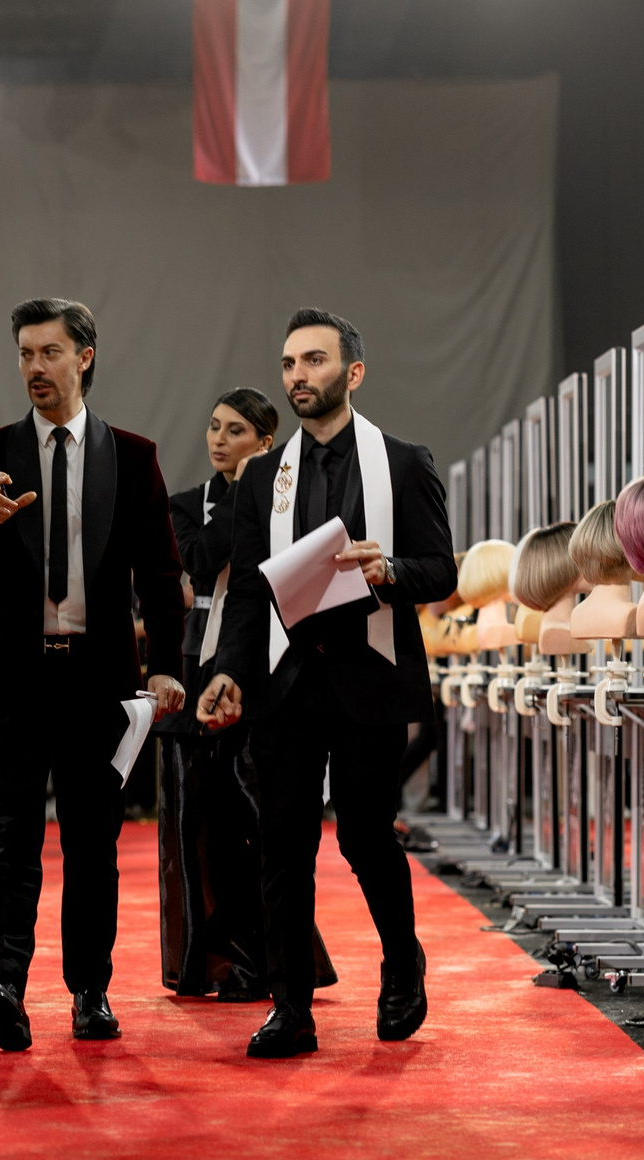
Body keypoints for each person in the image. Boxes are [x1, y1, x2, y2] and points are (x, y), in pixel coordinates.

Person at [0, 297, 186, 1052]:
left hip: (99, 683)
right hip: (9, 681)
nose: (34, 368)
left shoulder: (132, 456)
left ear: (84, 357)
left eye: (49, 353)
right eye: (25, 354)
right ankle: (3, 985)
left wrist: (166, 668)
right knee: (9, 836)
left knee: (93, 843)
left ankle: (90, 992)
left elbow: (160, 574)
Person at [198, 308, 457, 1058]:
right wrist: (227, 672)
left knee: (367, 837)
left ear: (354, 372)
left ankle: (402, 963)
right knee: (282, 845)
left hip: (368, 675)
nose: (298, 375)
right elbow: (247, 592)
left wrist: (390, 570)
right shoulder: (262, 478)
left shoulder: (402, 463)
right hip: (284, 683)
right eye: (289, 364)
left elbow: (441, 570)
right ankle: (290, 1008)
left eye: (314, 360)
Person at [157, 388, 339, 1001]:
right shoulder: (187, 505)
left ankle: (274, 959)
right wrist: (248, 492)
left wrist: (259, 490)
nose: (218, 439)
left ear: (265, 442)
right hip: (196, 671)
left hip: (266, 668)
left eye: (234, 431)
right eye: (214, 427)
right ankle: (216, 958)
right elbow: (200, 560)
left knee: (263, 823)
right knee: (199, 828)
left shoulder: (290, 504)